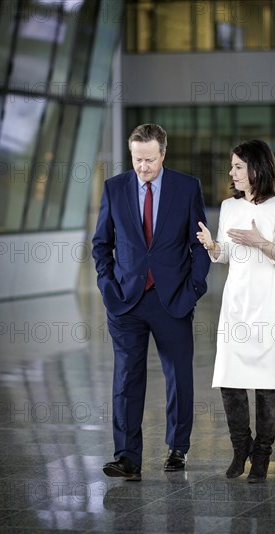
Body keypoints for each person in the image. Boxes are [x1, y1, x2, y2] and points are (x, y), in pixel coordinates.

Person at [92, 123, 211, 481]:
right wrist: (108, 286)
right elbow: (101, 245)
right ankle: (127, 456)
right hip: (126, 301)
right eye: (136, 159)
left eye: (149, 159)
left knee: (179, 374)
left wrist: (194, 288)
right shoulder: (114, 188)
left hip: (172, 298)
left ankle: (178, 448)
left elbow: (200, 243)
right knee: (127, 378)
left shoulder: (186, 188)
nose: (142, 166)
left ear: (163, 154)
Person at [197, 140, 275, 483]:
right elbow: (225, 254)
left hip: (268, 301)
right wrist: (212, 245)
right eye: (232, 166)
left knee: (268, 381)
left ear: (257, 168)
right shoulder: (229, 207)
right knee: (229, 378)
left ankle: (263, 456)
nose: (232, 172)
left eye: (238, 166)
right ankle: (241, 448)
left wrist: (261, 242)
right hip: (236, 300)